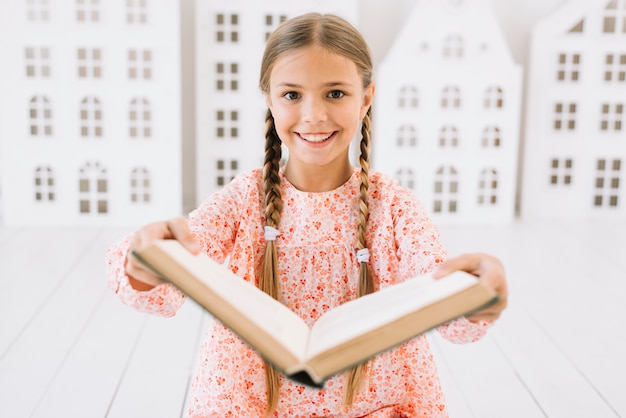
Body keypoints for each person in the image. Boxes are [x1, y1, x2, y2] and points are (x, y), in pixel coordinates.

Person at [106, 12, 508, 417]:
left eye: (335, 93)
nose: (314, 115)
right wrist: (149, 259)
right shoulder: (245, 200)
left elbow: (438, 290)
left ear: (366, 96)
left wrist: (474, 293)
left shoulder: (393, 208)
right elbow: (169, 275)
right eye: (292, 95)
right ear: (269, 98)